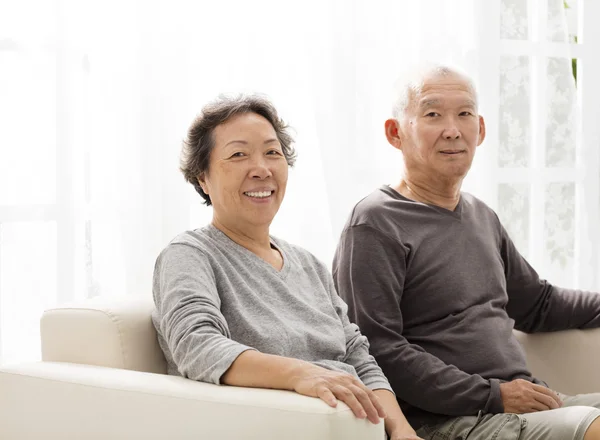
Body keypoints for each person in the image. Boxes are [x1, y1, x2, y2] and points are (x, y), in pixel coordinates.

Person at [332, 64, 600, 440]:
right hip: (454, 420)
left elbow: (538, 304)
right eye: (432, 115)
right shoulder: (374, 223)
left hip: (527, 404)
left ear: (482, 129)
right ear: (395, 133)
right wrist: (494, 394)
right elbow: (377, 349)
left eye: (464, 114)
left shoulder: (480, 215)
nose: (452, 130)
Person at [151, 94, 421, 440]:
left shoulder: (309, 264)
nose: (262, 168)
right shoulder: (189, 254)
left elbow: (357, 354)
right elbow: (197, 347)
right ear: (202, 178)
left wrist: (400, 428)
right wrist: (301, 375)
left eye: (272, 152)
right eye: (238, 155)